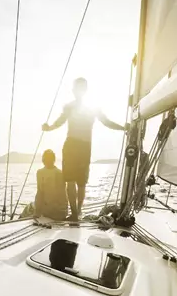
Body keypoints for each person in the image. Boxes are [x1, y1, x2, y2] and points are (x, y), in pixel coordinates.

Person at [42, 77, 127, 222]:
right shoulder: (70, 107)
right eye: (77, 88)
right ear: (74, 90)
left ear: (85, 90)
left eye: (81, 88)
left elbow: (106, 122)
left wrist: (123, 127)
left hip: (83, 147)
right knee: (70, 181)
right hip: (71, 146)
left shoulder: (93, 109)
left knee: (81, 183)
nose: (79, 91)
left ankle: (78, 212)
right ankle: (75, 213)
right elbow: (60, 121)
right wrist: (49, 128)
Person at [34, 149, 68, 221]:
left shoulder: (40, 172)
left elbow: (40, 192)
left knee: (29, 208)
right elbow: (62, 195)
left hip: (53, 211)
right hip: (61, 212)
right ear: (54, 160)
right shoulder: (60, 173)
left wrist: (37, 212)